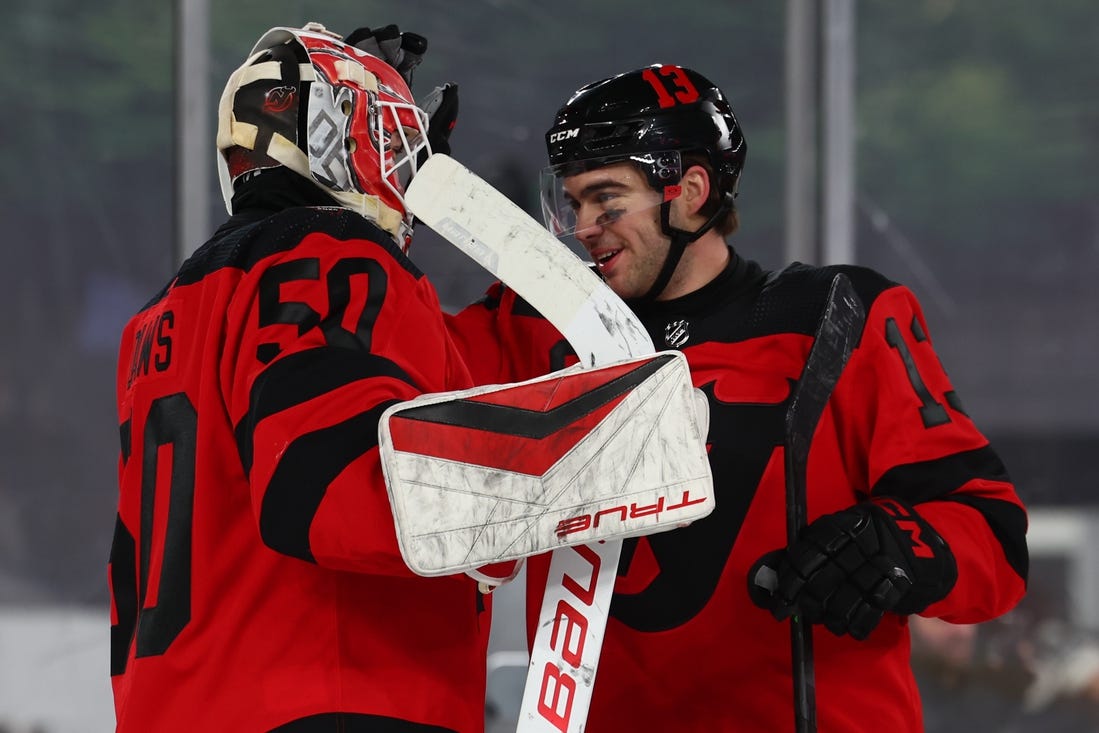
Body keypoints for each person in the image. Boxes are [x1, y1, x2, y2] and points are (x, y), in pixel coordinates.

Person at [447, 64, 1029, 732]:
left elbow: (993, 538)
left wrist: (896, 545)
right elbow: (385, 383)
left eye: (606, 200)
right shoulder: (535, 330)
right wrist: (373, 212)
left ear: (692, 191)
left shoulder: (837, 315)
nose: (584, 226)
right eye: (573, 202)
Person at [109, 22, 488, 732]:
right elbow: (334, 488)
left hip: (174, 705)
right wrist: (531, 475)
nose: (407, 170)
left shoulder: (160, 316)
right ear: (332, 136)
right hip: (332, 696)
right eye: (392, 138)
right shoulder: (331, 251)